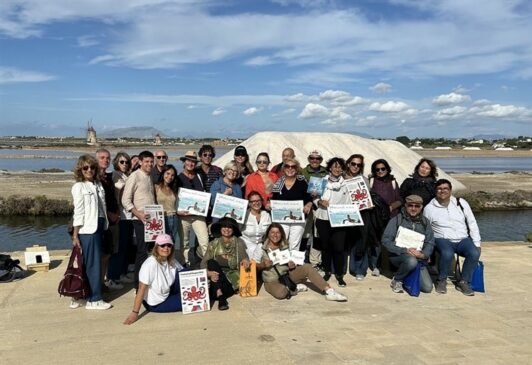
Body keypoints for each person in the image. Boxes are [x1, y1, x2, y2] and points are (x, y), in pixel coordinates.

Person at [253, 223, 347, 301]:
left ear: (281, 234)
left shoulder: (284, 244)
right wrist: (263, 265)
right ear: (268, 234)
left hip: (286, 274)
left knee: (307, 267)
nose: (275, 235)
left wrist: (291, 264)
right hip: (271, 280)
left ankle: (329, 291)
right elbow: (253, 265)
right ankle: (295, 288)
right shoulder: (261, 247)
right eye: (272, 232)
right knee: (281, 294)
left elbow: (289, 259)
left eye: (278, 232)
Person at [423, 179, 481, 296]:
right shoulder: (429, 208)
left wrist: (477, 243)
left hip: (462, 238)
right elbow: (426, 230)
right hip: (442, 238)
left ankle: (464, 281)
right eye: (439, 189)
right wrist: (426, 249)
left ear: (450, 190)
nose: (442, 191)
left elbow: (472, 222)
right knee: (447, 253)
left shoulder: (461, 203)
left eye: (445, 189)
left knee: (474, 253)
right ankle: (441, 280)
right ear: (435, 191)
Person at [70, 154, 111, 310]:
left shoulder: (97, 185)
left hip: (100, 226)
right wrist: (75, 234)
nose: (89, 170)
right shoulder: (79, 187)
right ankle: (95, 299)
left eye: (92, 167)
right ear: (80, 169)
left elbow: (102, 207)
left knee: (93, 262)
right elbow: (78, 212)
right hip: (88, 230)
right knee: (92, 264)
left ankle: (83, 295)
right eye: (85, 167)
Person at [123, 234, 184, 325]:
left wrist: (207, 274)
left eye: (169, 245)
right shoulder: (150, 264)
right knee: (188, 301)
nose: (166, 248)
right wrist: (135, 312)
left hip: (166, 291)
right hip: (156, 302)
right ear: (156, 247)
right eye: (162, 245)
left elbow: (187, 273)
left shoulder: (170, 259)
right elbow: (141, 289)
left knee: (185, 273)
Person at [381, 195, 434, 294]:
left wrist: (423, 254)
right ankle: (397, 280)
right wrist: (405, 250)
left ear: (421, 207)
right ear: (405, 205)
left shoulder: (425, 222)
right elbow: (386, 240)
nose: (413, 208)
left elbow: (430, 242)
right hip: (399, 256)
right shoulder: (396, 220)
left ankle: (406, 275)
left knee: (427, 288)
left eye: (417, 206)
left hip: (418, 257)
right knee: (411, 261)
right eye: (410, 205)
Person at [122, 150, 156, 289]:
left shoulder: (149, 176)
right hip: (140, 220)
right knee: (141, 252)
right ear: (140, 162)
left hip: (152, 219)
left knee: (152, 251)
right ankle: (138, 285)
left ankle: (149, 281)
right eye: (146, 161)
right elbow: (125, 200)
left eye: (151, 161)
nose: (149, 164)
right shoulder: (135, 176)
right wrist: (138, 214)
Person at [314, 157, 350, 287]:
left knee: (339, 248)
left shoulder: (346, 184)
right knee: (326, 246)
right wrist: (319, 202)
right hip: (323, 217)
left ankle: (339, 274)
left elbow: (350, 201)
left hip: (339, 219)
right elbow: (314, 197)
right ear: (330, 168)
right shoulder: (320, 181)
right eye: (335, 166)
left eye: (340, 167)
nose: (337, 169)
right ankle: (327, 270)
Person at [200, 218, 250, 310]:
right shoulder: (213, 244)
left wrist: (246, 260)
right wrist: (208, 273)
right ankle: (220, 296)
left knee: (213, 293)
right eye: (224, 226)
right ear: (220, 228)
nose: (227, 229)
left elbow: (245, 258)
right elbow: (204, 263)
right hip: (215, 276)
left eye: (230, 227)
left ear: (233, 230)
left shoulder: (239, 243)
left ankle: (219, 293)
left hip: (231, 281)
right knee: (211, 262)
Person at [271, 158, 313, 252]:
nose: (290, 168)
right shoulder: (279, 182)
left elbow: (309, 198)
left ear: (297, 169)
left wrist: (308, 204)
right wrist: (270, 205)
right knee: (282, 240)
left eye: (293, 166)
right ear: (283, 168)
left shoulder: (302, 182)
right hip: (282, 218)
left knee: (295, 242)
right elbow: (274, 198)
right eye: (287, 166)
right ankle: (282, 263)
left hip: (298, 218)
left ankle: (292, 263)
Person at [176, 151, 209, 266]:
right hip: (183, 216)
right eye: (188, 161)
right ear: (184, 162)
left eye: (193, 161)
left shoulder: (199, 176)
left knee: (204, 241)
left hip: (198, 215)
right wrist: (177, 211)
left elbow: (204, 193)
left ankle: (207, 265)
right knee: (184, 243)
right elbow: (174, 196)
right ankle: (186, 263)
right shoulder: (178, 178)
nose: (191, 163)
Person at [107, 152, 134, 288]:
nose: (125, 164)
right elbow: (123, 189)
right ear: (116, 163)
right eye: (122, 162)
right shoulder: (115, 175)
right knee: (118, 248)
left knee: (126, 247)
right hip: (121, 217)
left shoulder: (127, 175)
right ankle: (112, 277)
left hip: (129, 216)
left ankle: (122, 273)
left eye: (127, 162)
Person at [96, 148, 121, 290]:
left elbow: (112, 198)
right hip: (102, 221)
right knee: (100, 255)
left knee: (107, 254)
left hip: (113, 220)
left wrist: (117, 212)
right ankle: (97, 284)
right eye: (102, 157)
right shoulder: (94, 179)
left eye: (107, 158)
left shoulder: (109, 178)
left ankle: (103, 281)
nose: (105, 160)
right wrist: (110, 214)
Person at [301, 149, 328, 270]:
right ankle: (300, 258)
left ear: (321, 160)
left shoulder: (326, 172)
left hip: (320, 206)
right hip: (306, 205)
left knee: (317, 233)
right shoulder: (302, 172)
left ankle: (315, 261)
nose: (314, 161)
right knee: (304, 232)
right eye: (312, 158)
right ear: (308, 159)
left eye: (317, 159)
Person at [240, 191, 272, 258]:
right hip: (246, 245)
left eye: (258, 200)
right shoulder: (244, 215)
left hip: (262, 245)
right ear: (249, 203)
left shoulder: (266, 215)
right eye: (253, 201)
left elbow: (270, 232)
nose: (256, 203)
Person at [155, 165, 179, 244]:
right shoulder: (156, 187)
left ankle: (171, 257)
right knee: (161, 243)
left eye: (172, 175)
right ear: (163, 174)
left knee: (171, 243)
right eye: (167, 173)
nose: (170, 177)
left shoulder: (174, 189)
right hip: (161, 219)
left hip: (174, 218)